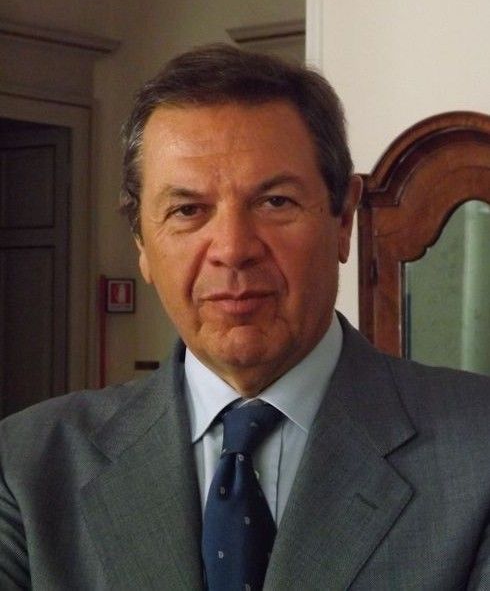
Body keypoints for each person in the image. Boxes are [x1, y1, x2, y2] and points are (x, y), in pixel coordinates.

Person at [1, 45, 490, 591]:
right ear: (141, 243)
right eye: (188, 210)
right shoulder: (24, 467)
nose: (233, 249)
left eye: (275, 202)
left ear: (345, 220)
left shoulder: (478, 450)